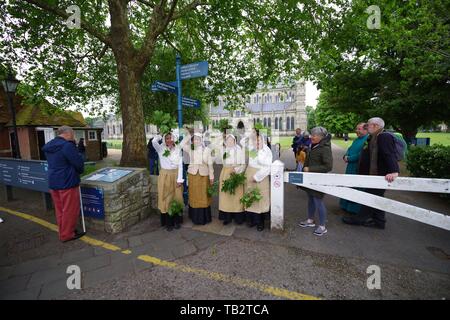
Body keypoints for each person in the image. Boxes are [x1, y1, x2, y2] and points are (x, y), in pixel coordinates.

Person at [342, 117, 399, 229]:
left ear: (376, 126)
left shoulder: (384, 137)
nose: (366, 127)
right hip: (374, 174)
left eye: (368, 125)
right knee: (377, 197)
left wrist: (394, 171)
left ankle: (359, 219)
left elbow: (389, 154)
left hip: (380, 175)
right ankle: (379, 222)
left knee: (370, 197)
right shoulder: (374, 137)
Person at [42, 126, 85, 242]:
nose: (73, 136)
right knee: (70, 209)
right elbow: (79, 164)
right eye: (72, 134)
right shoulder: (67, 146)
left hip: (54, 182)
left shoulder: (50, 145)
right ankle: (67, 234)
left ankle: (64, 231)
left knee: (60, 210)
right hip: (67, 181)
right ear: (68, 133)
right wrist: (79, 151)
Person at [298, 127, 333, 236]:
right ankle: (310, 220)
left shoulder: (325, 148)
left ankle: (322, 226)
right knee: (311, 200)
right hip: (310, 179)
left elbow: (328, 166)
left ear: (321, 137)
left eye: (314, 135)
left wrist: (310, 169)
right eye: (311, 135)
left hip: (318, 180)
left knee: (318, 202)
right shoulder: (315, 145)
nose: (311, 137)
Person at [241, 128, 273, 231]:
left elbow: (268, 167)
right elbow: (242, 142)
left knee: (260, 198)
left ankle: (260, 222)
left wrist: (257, 177)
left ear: (263, 140)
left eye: (259, 140)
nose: (257, 142)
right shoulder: (251, 148)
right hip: (249, 173)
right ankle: (252, 220)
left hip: (261, 177)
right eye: (255, 140)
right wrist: (250, 134)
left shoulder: (266, 150)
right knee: (250, 196)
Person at [152, 132, 184, 231]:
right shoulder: (161, 148)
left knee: (177, 198)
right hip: (165, 176)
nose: (169, 140)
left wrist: (179, 179)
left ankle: (177, 221)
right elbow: (153, 141)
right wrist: (159, 134)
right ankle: (168, 223)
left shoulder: (178, 149)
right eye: (167, 138)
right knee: (167, 199)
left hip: (175, 175)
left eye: (171, 138)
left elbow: (180, 165)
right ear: (164, 140)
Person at [181, 132, 214, 225]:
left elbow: (210, 164)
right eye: (194, 139)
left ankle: (204, 217)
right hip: (193, 175)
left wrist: (211, 177)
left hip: (204, 175)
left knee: (203, 195)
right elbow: (182, 144)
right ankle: (194, 217)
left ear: (201, 140)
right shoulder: (190, 149)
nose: (196, 141)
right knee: (194, 195)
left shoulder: (207, 150)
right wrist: (188, 135)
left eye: (198, 139)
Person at [339, 123, 369, 214]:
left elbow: (362, 154)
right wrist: (346, 155)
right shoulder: (356, 139)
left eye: (359, 129)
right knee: (348, 185)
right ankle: (345, 206)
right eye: (356, 129)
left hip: (358, 167)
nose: (357, 131)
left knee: (356, 187)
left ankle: (354, 209)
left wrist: (350, 158)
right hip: (350, 167)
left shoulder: (367, 140)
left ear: (365, 130)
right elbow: (350, 148)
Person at [218, 134, 246, 225]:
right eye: (228, 140)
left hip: (236, 174)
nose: (230, 142)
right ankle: (227, 217)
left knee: (237, 195)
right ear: (225, 142)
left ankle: (238, 218)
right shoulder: (223, 151)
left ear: (234, 141)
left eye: (232, 140)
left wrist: (236, 170)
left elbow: (243, 164)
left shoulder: (239, 150)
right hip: (225, 174)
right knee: (226, 196)